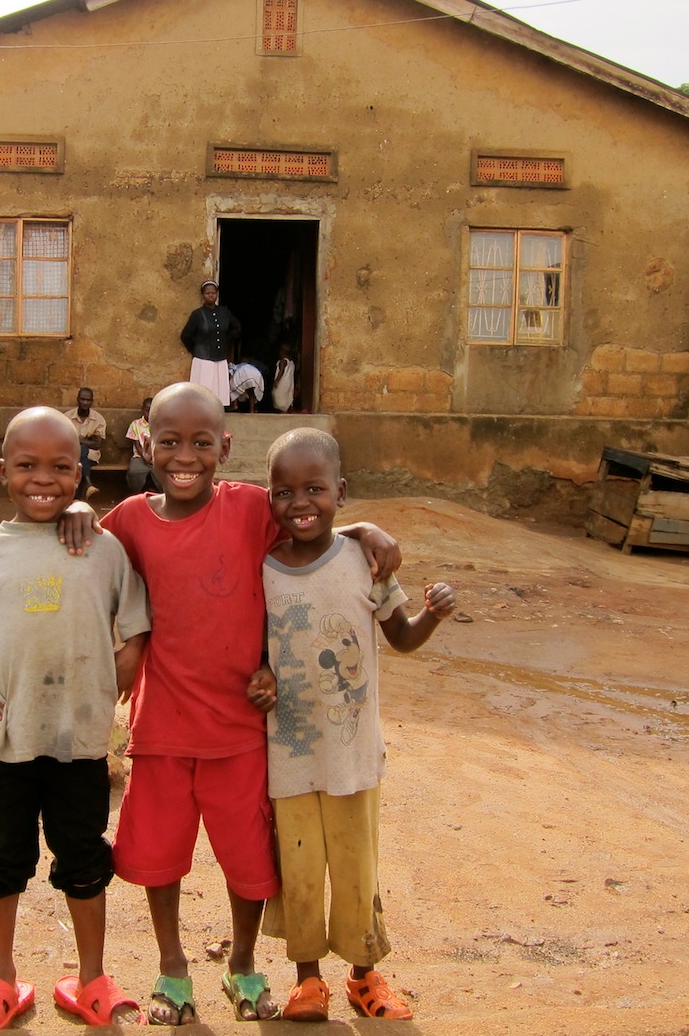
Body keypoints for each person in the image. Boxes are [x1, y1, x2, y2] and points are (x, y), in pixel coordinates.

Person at [56, 382, 401, 1025]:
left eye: (202, 443)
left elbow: (309, 518)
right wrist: (76, 505)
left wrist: (362, 525)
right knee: (160, 857)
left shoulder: (247, 510)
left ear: (226, 447)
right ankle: (173, 967)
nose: (185, 456)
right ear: (145, 442)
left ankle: (242, 964)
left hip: (242, 731)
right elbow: (89, 561)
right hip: (161, 727)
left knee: (250, 863)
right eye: (169, 441)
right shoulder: (129, 520)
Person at [0, 407, 150, 1029]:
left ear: (81, 474)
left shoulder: (102, 550)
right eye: (26, 466)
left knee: (83, 856)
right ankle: (0, 979)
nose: (42, 479)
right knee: (2, 856)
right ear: (3, 471)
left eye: (59, 467)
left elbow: (135, 621)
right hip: (8, 741)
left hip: (79, 743)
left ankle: (93, 978)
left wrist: (128, 658)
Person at [247, 427, 456, 1024]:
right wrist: (262, 681)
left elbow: (403, 637)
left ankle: (365, 975)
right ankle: (308, 981)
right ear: (268, 499)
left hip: (355, 753)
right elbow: (257, 653)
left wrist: (432, 616)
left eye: (315, 488)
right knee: (301, 869)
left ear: (341, 491)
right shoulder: (263, 571)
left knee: (357, 866)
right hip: (289, 752)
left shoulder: (365, 561)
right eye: (283, 492)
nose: (300, 503)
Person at [180, 281, 240, 406]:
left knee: (218, 395)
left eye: (213, 293)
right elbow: (186, 335)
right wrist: (196, 349)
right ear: (203, 295)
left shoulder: (224, 312)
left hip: (220, 359)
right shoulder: (197, 314)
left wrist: (226, 342)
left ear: (217, 294)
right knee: (202, 398)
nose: (211, 295)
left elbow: (237, 327)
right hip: (203, 361)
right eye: (208, 293)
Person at [63, 387, 106, 501]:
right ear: (77, 400)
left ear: (92, 401)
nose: (85, 403)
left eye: (88, 400)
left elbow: (97, 445)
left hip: (92, 454)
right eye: (82, 399)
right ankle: (88, 484)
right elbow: (64, 441)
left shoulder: (98, 419)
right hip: (70, 454)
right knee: (80, 454)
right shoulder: (67, 417)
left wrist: (76, 439)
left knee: (81, 451)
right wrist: (88, 441)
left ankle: (75, 498)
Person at [124, 396, 158, 494]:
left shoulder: (160, 424)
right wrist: (145, 457)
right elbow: (137, 444)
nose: (150, 414)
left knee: (160, 471)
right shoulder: (135, 424)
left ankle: (158, 492)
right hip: (140, 455)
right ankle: (136, 492)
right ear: (142, 410)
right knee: (135, 471)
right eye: (147, 410)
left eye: (153, 411)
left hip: (157, 455)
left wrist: (153, 457)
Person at [271, 344, 296, 413]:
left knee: (278, 395)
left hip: (281, 383)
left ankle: (281, 410)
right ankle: (286, 410)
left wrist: (276, 381)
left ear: (282, 352)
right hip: (288, 384)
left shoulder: (283, 361)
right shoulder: (291, 363)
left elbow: (281, 372)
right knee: (287, 396)